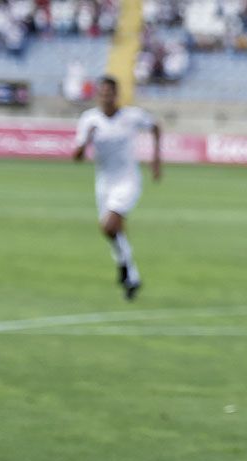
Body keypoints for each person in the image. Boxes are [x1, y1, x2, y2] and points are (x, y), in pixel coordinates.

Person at [72, 76, 161, 300]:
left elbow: (156, 127)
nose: (106, 97)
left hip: (127, 180)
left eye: (109, 93)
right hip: (103, 183)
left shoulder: (131, 116)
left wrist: (156, 159)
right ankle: (131, 276)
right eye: (102, 93)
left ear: (116, 94)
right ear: (97, 95)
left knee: (109, 226)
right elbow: (77, 158)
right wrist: (86, 140)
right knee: (114, 231)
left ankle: (124, 268)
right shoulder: (89, 119)